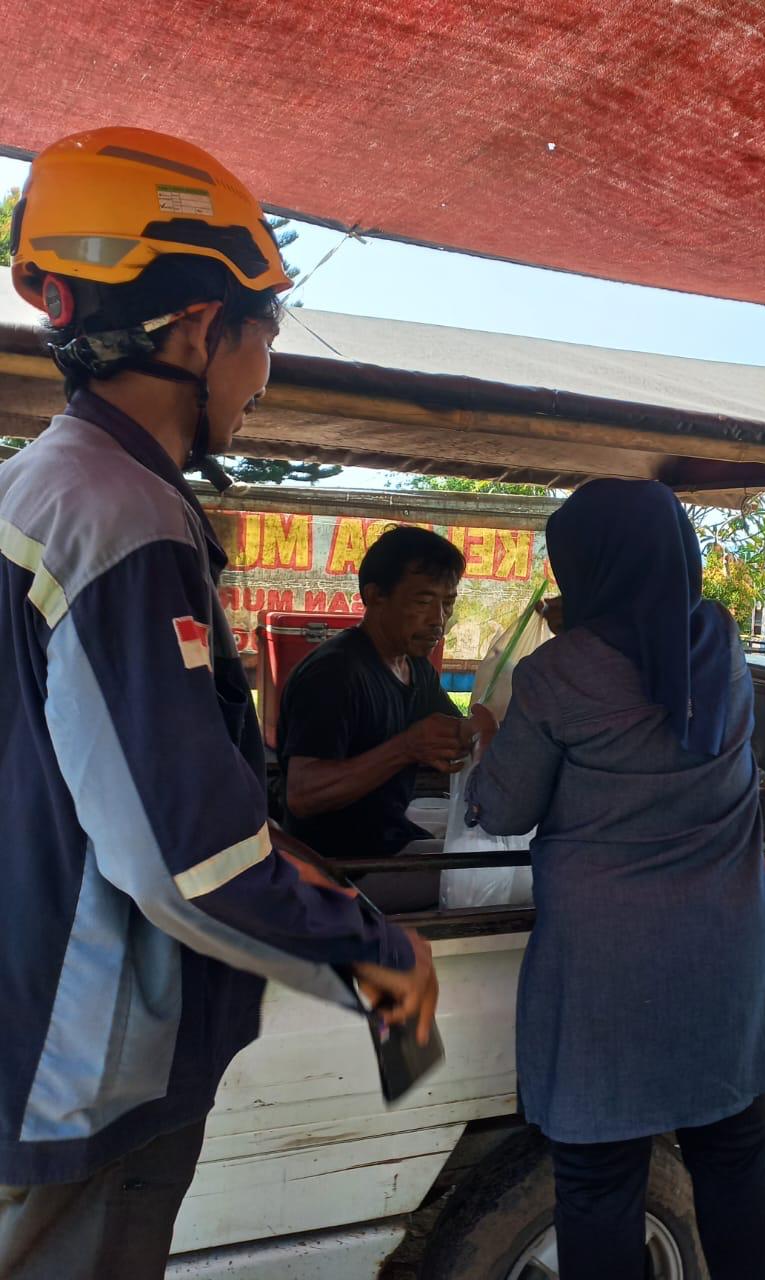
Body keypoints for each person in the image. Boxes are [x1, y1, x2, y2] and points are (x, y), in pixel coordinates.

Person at [0, 128, 438, 1280]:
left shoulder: (31, 487)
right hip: (84, 1069)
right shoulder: (124, 522)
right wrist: (377, 956)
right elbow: (186, 859)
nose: (265, 375)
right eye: (265, 336)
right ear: (199, 329)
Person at [464, 479, 765, 1280]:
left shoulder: (558, 674)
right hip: (725, 954)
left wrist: (489, 741)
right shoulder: (720, 643)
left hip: (608, 967)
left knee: (601, 1178)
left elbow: (502, 809)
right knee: (735, 1153)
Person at [278, 525, 474, 858]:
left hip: (391, 838)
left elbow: (456, 734)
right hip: (336, 863)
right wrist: (406, 748)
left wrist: (482, 727)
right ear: (374, 596)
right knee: (484, 876)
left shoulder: (416, 668)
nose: (438, 620)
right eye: (423, 601)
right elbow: (302, 795)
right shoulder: (334, 674)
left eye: (448, 603)